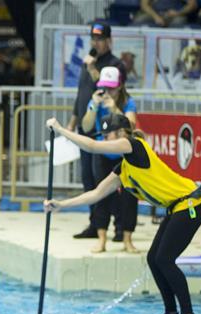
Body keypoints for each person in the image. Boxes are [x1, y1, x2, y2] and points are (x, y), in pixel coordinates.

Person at [44, 113, 201, 314]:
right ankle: (171, 313)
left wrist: (61, 130)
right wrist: (62, 205)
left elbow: (92, 146)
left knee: (165, 259)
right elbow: (96, 194)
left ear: (121, 132)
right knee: (154, 259)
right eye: (103, 136)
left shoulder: (133, 144)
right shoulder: (124, 168)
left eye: (108, 135)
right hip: (178, 207)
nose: (105, 140)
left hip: (192, 205)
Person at [69, 21, 124, 240]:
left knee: (109, 181)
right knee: (88, 180)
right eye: (94, 39)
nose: (96, 43)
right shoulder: (86, 64)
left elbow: (106, 91)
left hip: (105, 132)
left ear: (109, 40)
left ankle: (119, 227)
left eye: (100, 39)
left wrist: (93, 69)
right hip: (85, 127)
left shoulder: (115, 65)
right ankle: (95, 224)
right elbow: (80, 95)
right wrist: (73, 122)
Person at [80, 66, 139, 253]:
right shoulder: (96, 101)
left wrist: (114, 108)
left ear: (120, 86)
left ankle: (127, 239)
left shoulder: (129, 103)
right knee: (101, 195)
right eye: (105, 87)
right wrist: (93, 107)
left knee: (130, 196)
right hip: (103, 154)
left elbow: (131, 125)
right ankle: (102, 239)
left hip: (124, 155)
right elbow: (86, 126)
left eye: (111, 88)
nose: (108, 92)